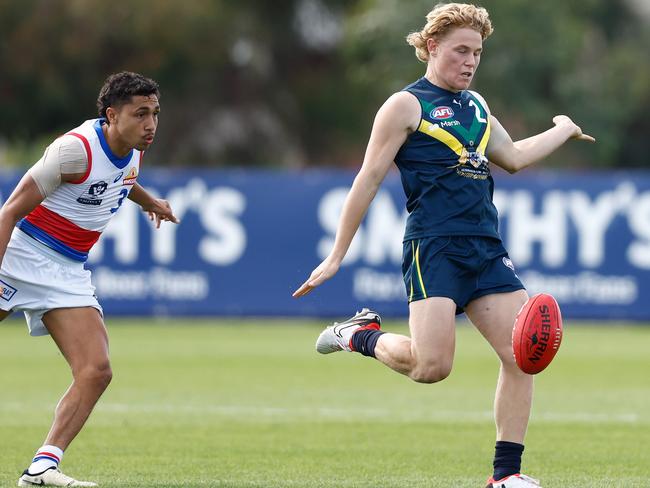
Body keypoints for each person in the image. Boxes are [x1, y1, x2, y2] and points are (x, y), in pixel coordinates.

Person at [293, 4, 594, 488]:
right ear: (432, 47)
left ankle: (506, 476)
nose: (470, 61)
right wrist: (336, 254)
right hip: (433, 248)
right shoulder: (404, 106)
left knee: (523, 356)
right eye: (461, 50)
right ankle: (360, 335)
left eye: (477, 52)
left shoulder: (476, 107)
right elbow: (367, 179)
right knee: (431, 368)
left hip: (487, 248)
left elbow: (513, 157)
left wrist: (562, 129)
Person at [0, 71, 178, 487]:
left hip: (67, 271)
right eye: (140, 114)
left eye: (155, 113)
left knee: (96, 370)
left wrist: (149, 201)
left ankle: (42, 467)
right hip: (21, 254)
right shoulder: (73, 151)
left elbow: (122, 179)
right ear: (111, 116)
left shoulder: (135, 147)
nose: (150, 124)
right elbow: (8, 212)